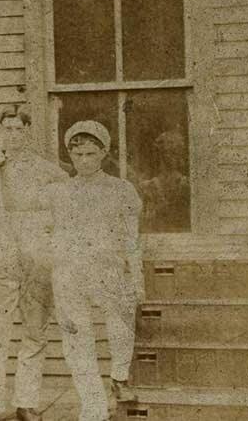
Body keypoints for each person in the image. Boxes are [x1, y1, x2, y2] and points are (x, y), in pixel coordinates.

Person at [0, 106, 68, 421]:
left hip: (37, 260)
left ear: (27, 132)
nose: (12, 135)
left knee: (35, 332)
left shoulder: (47, 171)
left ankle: (26, 402)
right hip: (1, 260)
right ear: (0, 132)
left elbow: (69, 208)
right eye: (7, 129)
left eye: (18, 129)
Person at [42, 121, 144, 421]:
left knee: (121, 319)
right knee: (76, 339)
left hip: (108, 269)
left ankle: (119, 377)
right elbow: (44, 231)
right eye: (77, 155)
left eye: (90, 154)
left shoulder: (121, 189)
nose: (84, 160)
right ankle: (93, 406)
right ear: (70, 156)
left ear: (103, 152)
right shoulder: (58, 192)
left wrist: (137, 277)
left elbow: (132, 238)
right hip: (70, 272)